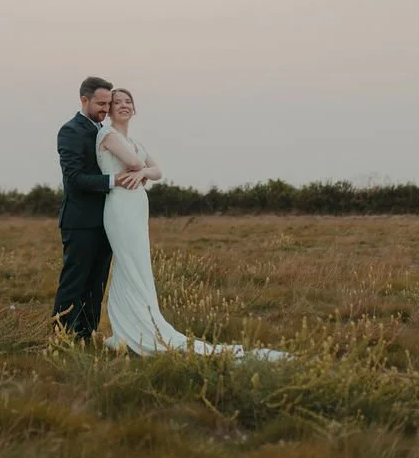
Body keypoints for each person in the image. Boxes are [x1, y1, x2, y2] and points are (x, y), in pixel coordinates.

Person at [97, 87, 289, 360]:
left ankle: (136, 326)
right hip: (119, 207)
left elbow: (158, 171)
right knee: (128, 264)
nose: (124, 106)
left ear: (134, 108)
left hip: (137, 207)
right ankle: (129, 329)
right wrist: (142, 169)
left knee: (139, 265)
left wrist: (144, 172)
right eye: (117, 102)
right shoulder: (108, 135)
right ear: (109, 108)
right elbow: (136, 161)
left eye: (128, 102)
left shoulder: (135, 140)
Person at [51, 76, 142, 343]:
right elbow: (74, 178)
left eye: (108, 103)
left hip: (108, 219)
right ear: (84, 100)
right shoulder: (70, 131)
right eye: (101, 103)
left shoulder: (106, 131)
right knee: (74, 281)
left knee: (97, 282)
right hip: (80, 220)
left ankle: (86, 335)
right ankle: (61, 336)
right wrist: (115, 181)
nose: (105, 108)